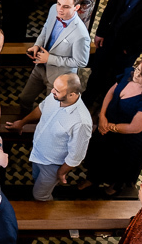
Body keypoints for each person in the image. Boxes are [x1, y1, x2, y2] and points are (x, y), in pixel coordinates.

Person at [81, 56, 142, 195]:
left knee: (117, 166)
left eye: (141, 74)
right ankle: (92, 179)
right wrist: (102, 116)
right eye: (137, 69)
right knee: (97, 155)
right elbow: (111, 92)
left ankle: (113, 187)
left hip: (125, 138)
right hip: (106, 125)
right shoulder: (129, 75)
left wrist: (109, 127)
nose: (136, 74)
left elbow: (135, 127)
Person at [9, 73, 93, 201]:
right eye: (54, 88)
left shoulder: (81, 122)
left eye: (57, 90)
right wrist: (22, 123)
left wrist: (61, 172)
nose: (52, 91)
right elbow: (41, 108)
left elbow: (77, 155)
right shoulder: (56, 96)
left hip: (52, 164)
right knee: (35, 179)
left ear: (72, 95)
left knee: (40, 196)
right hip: (37, 152)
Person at [16, 0, 91, 111]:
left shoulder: (81, 34)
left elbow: (81, 62)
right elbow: (46, 29)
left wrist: (50, 59)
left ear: (76, 8)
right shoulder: (53, 9)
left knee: (49, 109)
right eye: (59, 4)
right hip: (39, 68)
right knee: (24, 98)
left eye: (66, 7)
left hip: (59, 77)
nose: (60, 9)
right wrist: (37, 44)